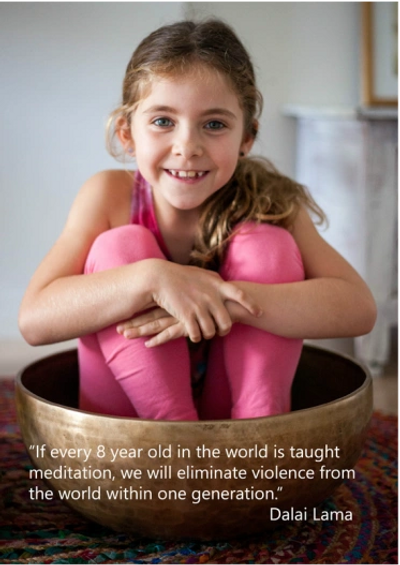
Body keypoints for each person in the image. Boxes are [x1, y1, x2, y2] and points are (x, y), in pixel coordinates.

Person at [19, 19, 376, 421]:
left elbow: (359, 309)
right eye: (162, 121)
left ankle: (255, 442)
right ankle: (176, 442)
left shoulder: (273, 201)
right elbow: (34, 321)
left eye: (214, 124)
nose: (187, 147)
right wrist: (152, 279)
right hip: (130, 424)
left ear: (247, 137)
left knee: (268, 245)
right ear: (127, 133)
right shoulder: (109, 196)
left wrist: (230, 299)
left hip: (235, 419)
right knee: (119, 248)